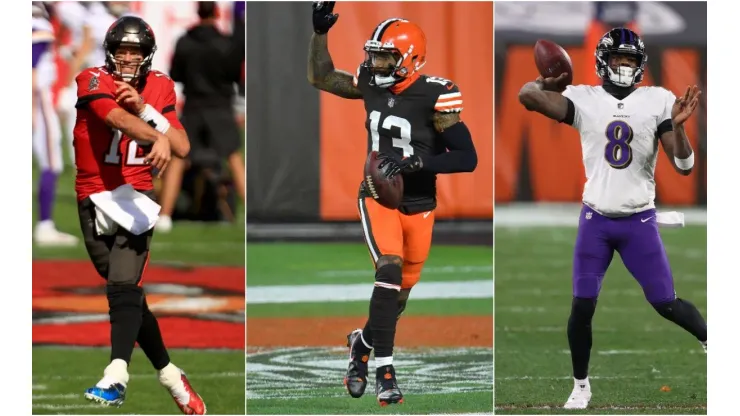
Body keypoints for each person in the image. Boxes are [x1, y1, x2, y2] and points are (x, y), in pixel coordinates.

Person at [517, 27, 707, 410]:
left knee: (665, 303)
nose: (624, 64)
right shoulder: (583, 98)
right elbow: (527, 97)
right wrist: (543, 78)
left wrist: (680, 128)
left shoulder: (657, 100)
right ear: (604, 60)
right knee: (582, 305)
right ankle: (581, 385)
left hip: (638, 221)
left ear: (641, 65)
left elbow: (684, 166)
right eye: (618, 58)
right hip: (597, 221)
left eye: (631, 59)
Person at [308, 1, 478, 406]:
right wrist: (319, 34)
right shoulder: (369, 78)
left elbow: (467, 158)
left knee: (396, 299)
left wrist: (422, 161)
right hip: (378, 193)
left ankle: (360, 345)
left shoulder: (436, 95)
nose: (377, 64)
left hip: (420, 202)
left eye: (386, 57)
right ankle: (385, 371)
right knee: (389, 270)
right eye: (375, 56)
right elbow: (321, 76)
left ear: (411, 60)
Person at [73, 15, 205, 414]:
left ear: (147, 54)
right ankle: (169, 374)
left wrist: (150, 111)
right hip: (92, 195)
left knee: (122, 285)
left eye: (135, 50)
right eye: (122, 49)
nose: (128, 57)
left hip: (135, 198)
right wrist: (153, 136)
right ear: (110, 52)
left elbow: (181, 146)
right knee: (127, 294)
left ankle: (116, 375)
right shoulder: (92, 79)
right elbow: (114, 118)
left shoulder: (160, 85)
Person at [157, 1, 245, 232]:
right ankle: (250, 215)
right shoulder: (227, 43)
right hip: (220, 106)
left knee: (178, 157)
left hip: (194, 105)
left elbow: (175, 73)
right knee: (234, 158)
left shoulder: (185, 41)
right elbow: (235, 76)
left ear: (197, 12)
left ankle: (165, 216)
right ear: (217, 13)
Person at [56, 1, 133, 165]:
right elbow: (84, 51)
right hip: (97, 82)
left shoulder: (133, 18)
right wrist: (67, 86)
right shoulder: (96, 19)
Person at [32, 1, 78, 246]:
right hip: (36, 99)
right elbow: (30, 68)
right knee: (52, 162)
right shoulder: (37, 22)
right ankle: (45, 225)